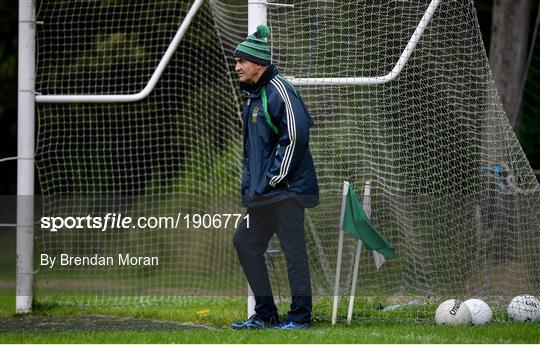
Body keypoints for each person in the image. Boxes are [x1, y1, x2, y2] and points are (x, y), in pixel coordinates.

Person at [230, 24, 319, 330]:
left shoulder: (278, 89)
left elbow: (296, 134)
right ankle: (266, 314)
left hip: (287, 191)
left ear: (259, 63)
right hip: (264, 195)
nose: (237, 66)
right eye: (236, 61)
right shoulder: (253, 98)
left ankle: (300, 317)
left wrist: (276, 177)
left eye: (242, 61)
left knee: (294, 252)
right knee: (244, 242)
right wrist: (254, 186)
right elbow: (254, 151)